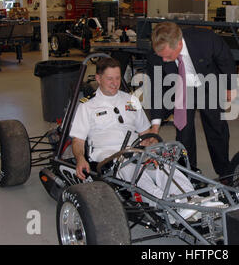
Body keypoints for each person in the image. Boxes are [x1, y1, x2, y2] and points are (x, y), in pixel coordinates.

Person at [69, 57, 195, 209]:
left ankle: (191, 198)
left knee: (162, 165)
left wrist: (152, 145)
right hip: (107, 155)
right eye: (109, 79)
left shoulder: (131, 100)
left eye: (117, 78)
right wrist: (80, 158)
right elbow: (78, 141)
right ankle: (166, 203)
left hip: (135, 149)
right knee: (130, 168)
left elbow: (145, 132)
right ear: (98, 78)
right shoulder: (87, 106)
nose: (115, 83)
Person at [146, 22, 237, 180]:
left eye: (168, 56)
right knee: (184, 130)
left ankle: (224, 170)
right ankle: (188, 173)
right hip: (181, 87)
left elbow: (225, 58)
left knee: (216, 127)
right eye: (161, 56)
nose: (165, 60)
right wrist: (155, 126)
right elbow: (156, 89)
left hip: (208, 82)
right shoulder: (157, 54)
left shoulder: (205, 39)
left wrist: (230, 86)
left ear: (179, 44)